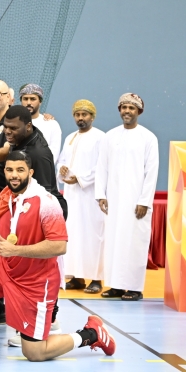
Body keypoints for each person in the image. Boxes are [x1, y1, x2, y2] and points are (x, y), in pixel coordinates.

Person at [0, 152, 116, 361]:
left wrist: (16, 250)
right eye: (9, 170)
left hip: (36, 283)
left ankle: (92, 334)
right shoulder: (6, 196)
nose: (14, 175)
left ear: (30, 172)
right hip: (7, 270)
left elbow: (59, 245)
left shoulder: (46, 202)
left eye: (20, 170)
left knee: (34, 352)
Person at [94, 93, 159, 301]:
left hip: (136, 202)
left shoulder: (148, 138)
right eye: (124, 107)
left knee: (134, 243)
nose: (127, 111)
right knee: (113, 242)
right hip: (113, 200)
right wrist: (100, 195)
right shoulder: (110, 136)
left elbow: (151, 172)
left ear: (139, 111)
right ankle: (115, 285)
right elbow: (101, 167)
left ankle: (134, 288)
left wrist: (144, 201)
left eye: (131, 108)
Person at [57, 100, 106, 293]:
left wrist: (80, 178)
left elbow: (102, 166)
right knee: (74, 235)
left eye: (84, 114)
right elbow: (62, 161)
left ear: (92, 117)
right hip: (71, 195)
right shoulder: (70, 137)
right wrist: (62, 171)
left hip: (91, 195)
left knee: (93, 236)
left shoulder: (100, 137)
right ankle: (77, 277)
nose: (80, 118)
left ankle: (96, 279)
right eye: (77, 114)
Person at [1, 105, 67, 217]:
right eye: (5, 127)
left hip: (46, 213)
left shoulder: (38, 154)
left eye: (13, 128)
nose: (7, 131)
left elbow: (45, 196)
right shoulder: (22, 135)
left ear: (28, 126)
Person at [20, 84, 62, 162]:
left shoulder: (52, 125)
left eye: (33, 99)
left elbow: (53, 155)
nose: (28, 102)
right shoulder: (13, 123)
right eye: (25, 99)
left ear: (40, 101)